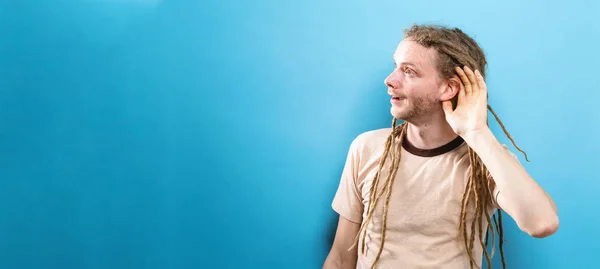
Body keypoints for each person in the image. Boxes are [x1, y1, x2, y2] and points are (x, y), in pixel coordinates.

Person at [322, 24, 559, 269]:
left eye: (409, 71)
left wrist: (476, 132)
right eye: (395, 67)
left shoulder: (487, 160)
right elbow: (340, 258)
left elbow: (542, 223)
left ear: (448, 88)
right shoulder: (367, 148)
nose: (390, 80)